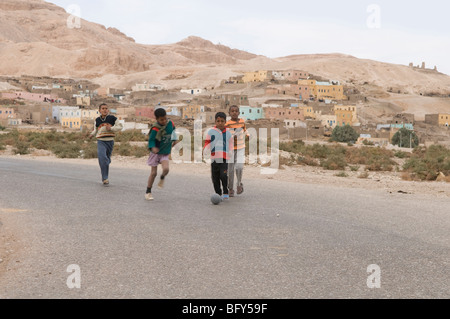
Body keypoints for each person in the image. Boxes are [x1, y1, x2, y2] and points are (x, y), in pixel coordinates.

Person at [145, 108, 179, 201]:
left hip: (165, 152)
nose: (164, 121)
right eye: (161, 120)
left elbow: (173, 131)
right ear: (157, 119)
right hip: (155, 153)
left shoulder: (170, 124)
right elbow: (151, 140)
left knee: (166, 169)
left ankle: (162, 177)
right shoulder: (155, 128)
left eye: (165, 118)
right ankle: (148, 191)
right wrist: (153, 147)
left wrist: (175, 140)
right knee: (153, 173)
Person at [89, 103, 123, 186]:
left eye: (106, 108)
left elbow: (120, 126)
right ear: (99, 110)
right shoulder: (97, 120)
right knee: (102, 158)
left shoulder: (112, 118)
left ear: (108, 110)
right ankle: (105, 178)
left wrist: (111, 128)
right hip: (101, 141)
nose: (105, 110)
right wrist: (91, 134)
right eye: (103, 108)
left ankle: (107, 162)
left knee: (106, 159)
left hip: (110, 141)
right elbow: (96, 130)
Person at [204, 112, 233, 200]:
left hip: (224, 158)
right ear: (215, 121)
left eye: (222, 121)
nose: (220, 123)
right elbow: (207, 142)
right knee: (215, 177)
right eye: (218, 121)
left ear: (225, 122)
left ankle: (225, 191)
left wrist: (231, 151)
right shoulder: (211, 132)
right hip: (214, 159)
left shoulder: (228, 133)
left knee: (223, 175)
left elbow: (230, 143)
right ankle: (218, 193)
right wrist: (206, 149)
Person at [225, 105, 248, 197]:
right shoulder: (227, 124)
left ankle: (239, 184)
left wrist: (248, 135)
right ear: (229, 113)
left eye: (236, 111)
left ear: (239, 113)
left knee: (239, 167)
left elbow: (245, 130)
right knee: (230, 170)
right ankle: (230, 188)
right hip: (230, 149)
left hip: (240, 148)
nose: (234, 113)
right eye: (232, 111)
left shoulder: (242, 122)